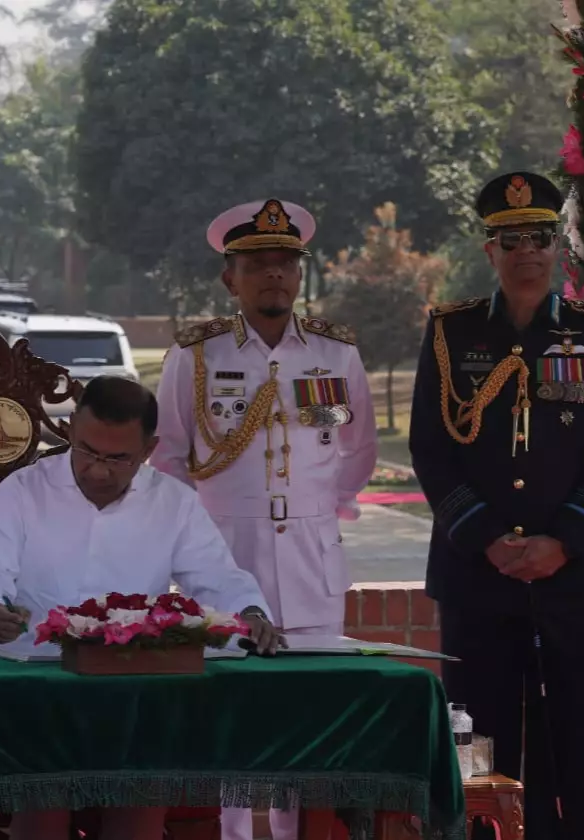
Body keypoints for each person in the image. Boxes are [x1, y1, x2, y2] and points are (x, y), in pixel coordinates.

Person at [409, 171, 584, 840]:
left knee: (565, 737)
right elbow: (429, 447)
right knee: (476, 743)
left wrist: (563, 541)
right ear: (489, 252)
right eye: (509, 241)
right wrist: (485, 537)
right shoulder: (452, 334)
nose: (525, 253)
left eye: (538, 238)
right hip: (476, 576)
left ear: (556, 247)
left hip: (567, 577)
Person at [0, 375, 283, 840]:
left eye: (117, 459)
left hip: (135, 690)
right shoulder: (24, 490)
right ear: (71, 430)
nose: (97, 470)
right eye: (88, 451)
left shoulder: (174, 502)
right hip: (41, 682)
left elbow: (218, 578)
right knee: (43, 812)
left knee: (139, 808)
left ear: (149, 449)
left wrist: (250, 613)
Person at [150, 198, 376, 840]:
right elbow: (167, 454)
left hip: (311, 552)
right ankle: (231, 834)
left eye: (286, 264)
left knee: (306, 714)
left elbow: (357, 447)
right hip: (225, 549)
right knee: (229, 710)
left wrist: (319, 509)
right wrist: (193, 539)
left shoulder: (335, 355)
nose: (274, 275)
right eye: (259, 265)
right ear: (231, 278)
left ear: (300, 274)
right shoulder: (194, 357)